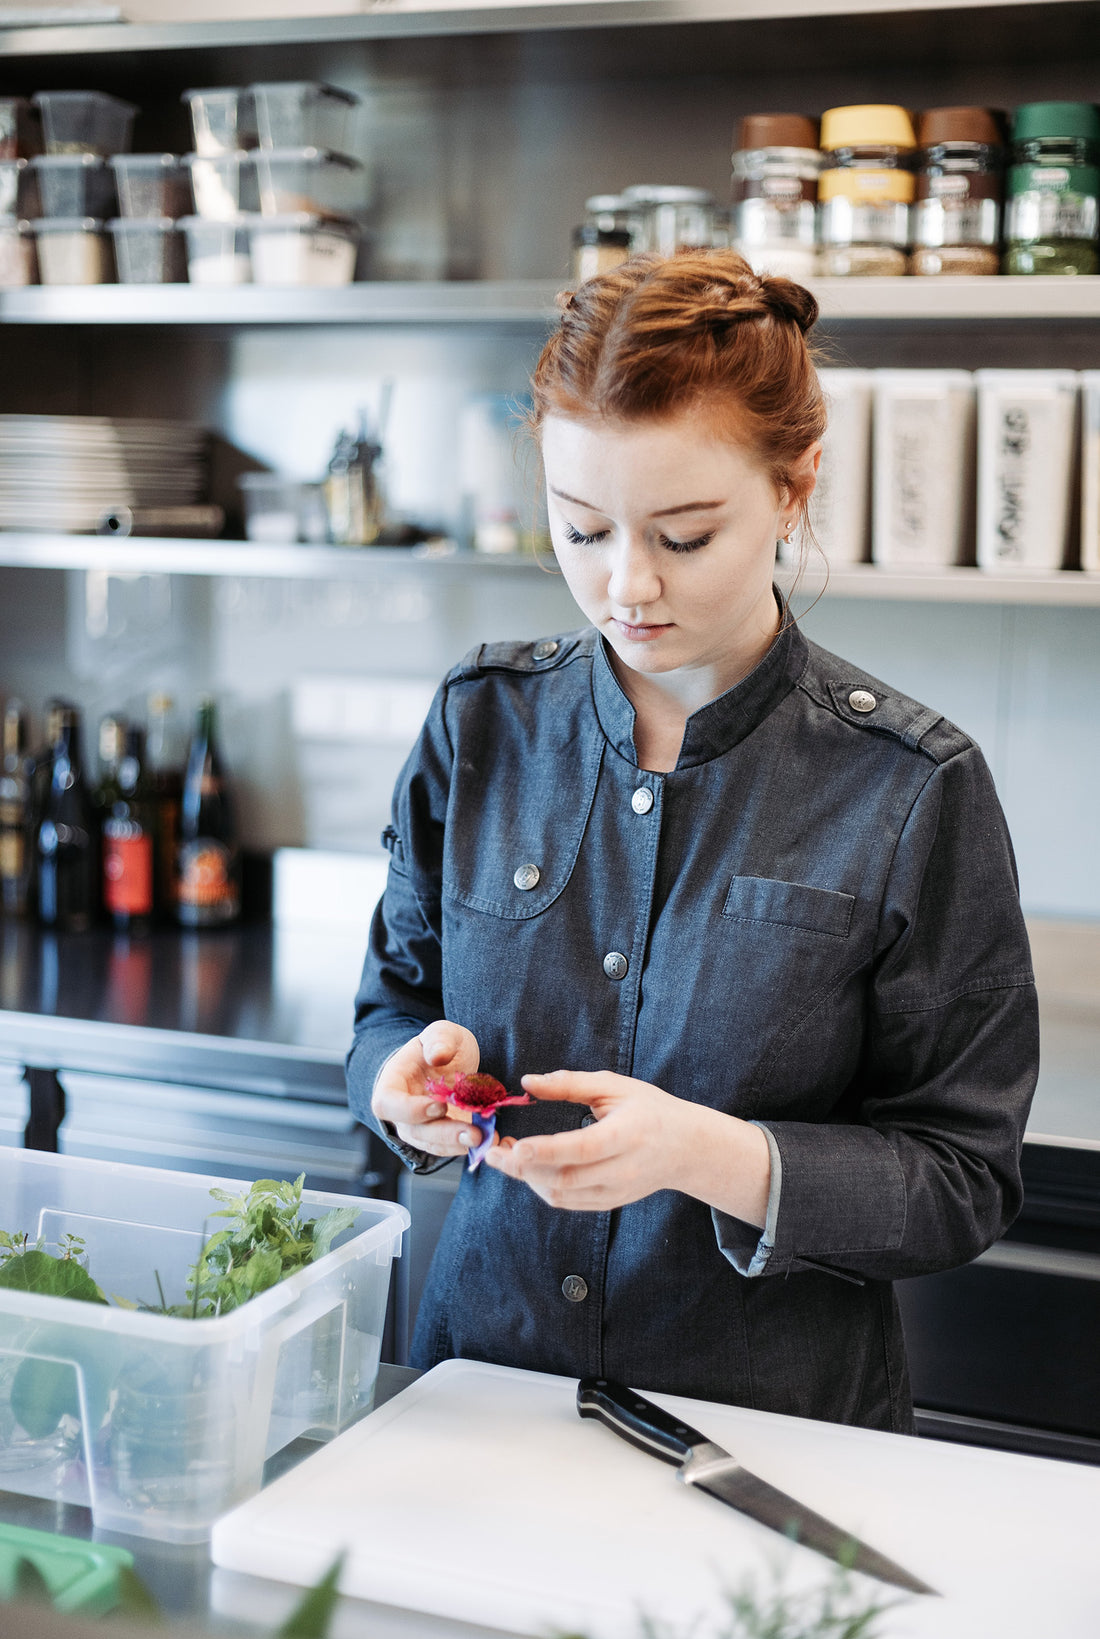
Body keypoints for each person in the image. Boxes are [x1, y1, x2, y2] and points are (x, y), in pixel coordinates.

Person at [346, 250, 1039, 1433]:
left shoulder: (912, 786)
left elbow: (960, 1180)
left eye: (682, 535)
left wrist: (711, 1156)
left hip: (768, 1432)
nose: (625, 585)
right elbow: (387, 1012)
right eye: (581, 530)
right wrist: (399, 1087)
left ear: (792, 486)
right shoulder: (481, 724)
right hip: (481, 1396)